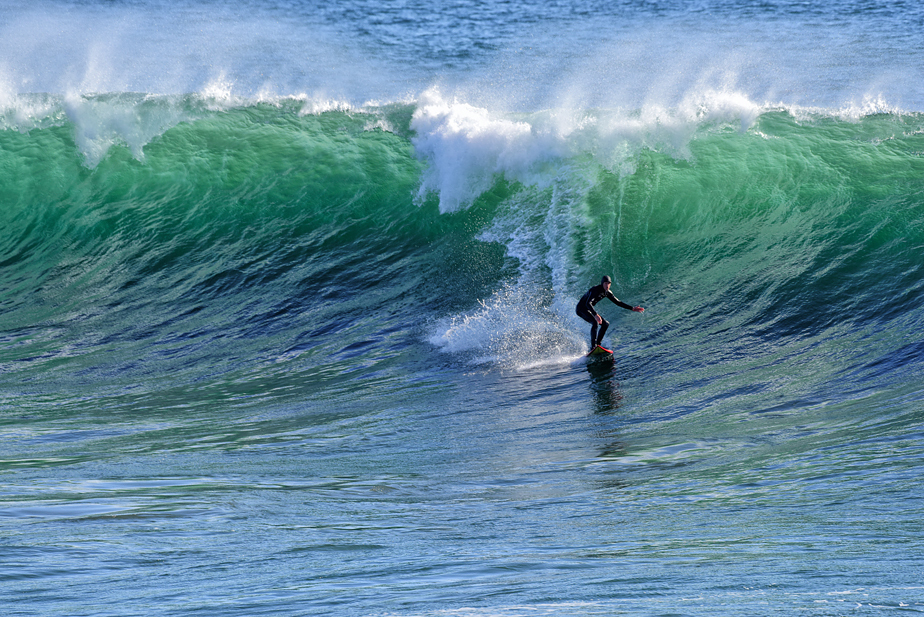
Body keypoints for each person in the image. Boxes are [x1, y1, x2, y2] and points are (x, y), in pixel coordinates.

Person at [576, 275, 644, 351]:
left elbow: (618, 302)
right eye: (605, 283)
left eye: (609, 283)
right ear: (602, 283)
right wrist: (595, 314)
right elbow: (588, 303)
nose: (607, 285)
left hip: (588, 310)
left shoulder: (607, 292)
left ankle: (598, 345)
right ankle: (593, 347)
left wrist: (632, 308)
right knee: (595, 322)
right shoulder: (595, 290)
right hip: (580, 309)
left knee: (605, 324)